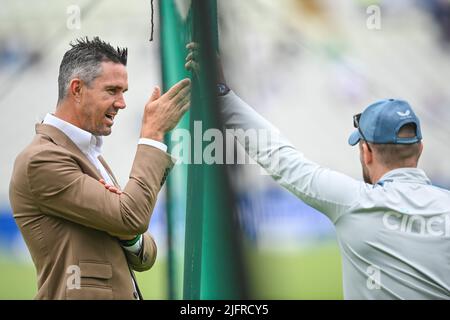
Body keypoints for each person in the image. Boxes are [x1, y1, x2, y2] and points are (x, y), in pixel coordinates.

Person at [186, 47, 450, 299]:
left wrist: (221, 94)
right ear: (420, 149)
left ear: (366, 151)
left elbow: (281, 159)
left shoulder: (354, 202)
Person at [9, 37, 190, 300]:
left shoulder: (88, 153)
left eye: (124, 92)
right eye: (112, 90)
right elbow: (132, 218)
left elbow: (145, 253)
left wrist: (130, 237)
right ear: (77, 89)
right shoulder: (41, 159)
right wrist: (153, 134)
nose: (122, 103)